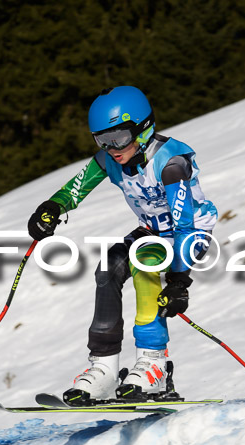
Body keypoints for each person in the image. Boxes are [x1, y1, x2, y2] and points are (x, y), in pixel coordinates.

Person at [27, 86, 218, 403]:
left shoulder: (171, 163)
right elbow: (75, 189)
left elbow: (184, 224)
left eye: (119, 138)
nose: (112, 148)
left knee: (146, 261)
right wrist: (52, 208)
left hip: (191, 232)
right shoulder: (110, 159)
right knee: (108, 267)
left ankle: (153, 364)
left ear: (143, 128)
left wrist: (179, 280)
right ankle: (103, 368)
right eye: (103, 140)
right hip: (152, 230)